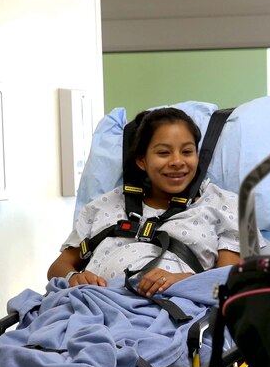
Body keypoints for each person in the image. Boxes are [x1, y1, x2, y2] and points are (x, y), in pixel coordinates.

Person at [47, 106, 241, 295]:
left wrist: (182, 280)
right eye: (163, 153)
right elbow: (59, 266)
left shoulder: (223, 206)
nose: (177, 161)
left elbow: (228, 281)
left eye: (187, 152)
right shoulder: (102, 206)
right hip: (93, 307)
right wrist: (73, 276)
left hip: (169, 314)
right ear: (142, 161)